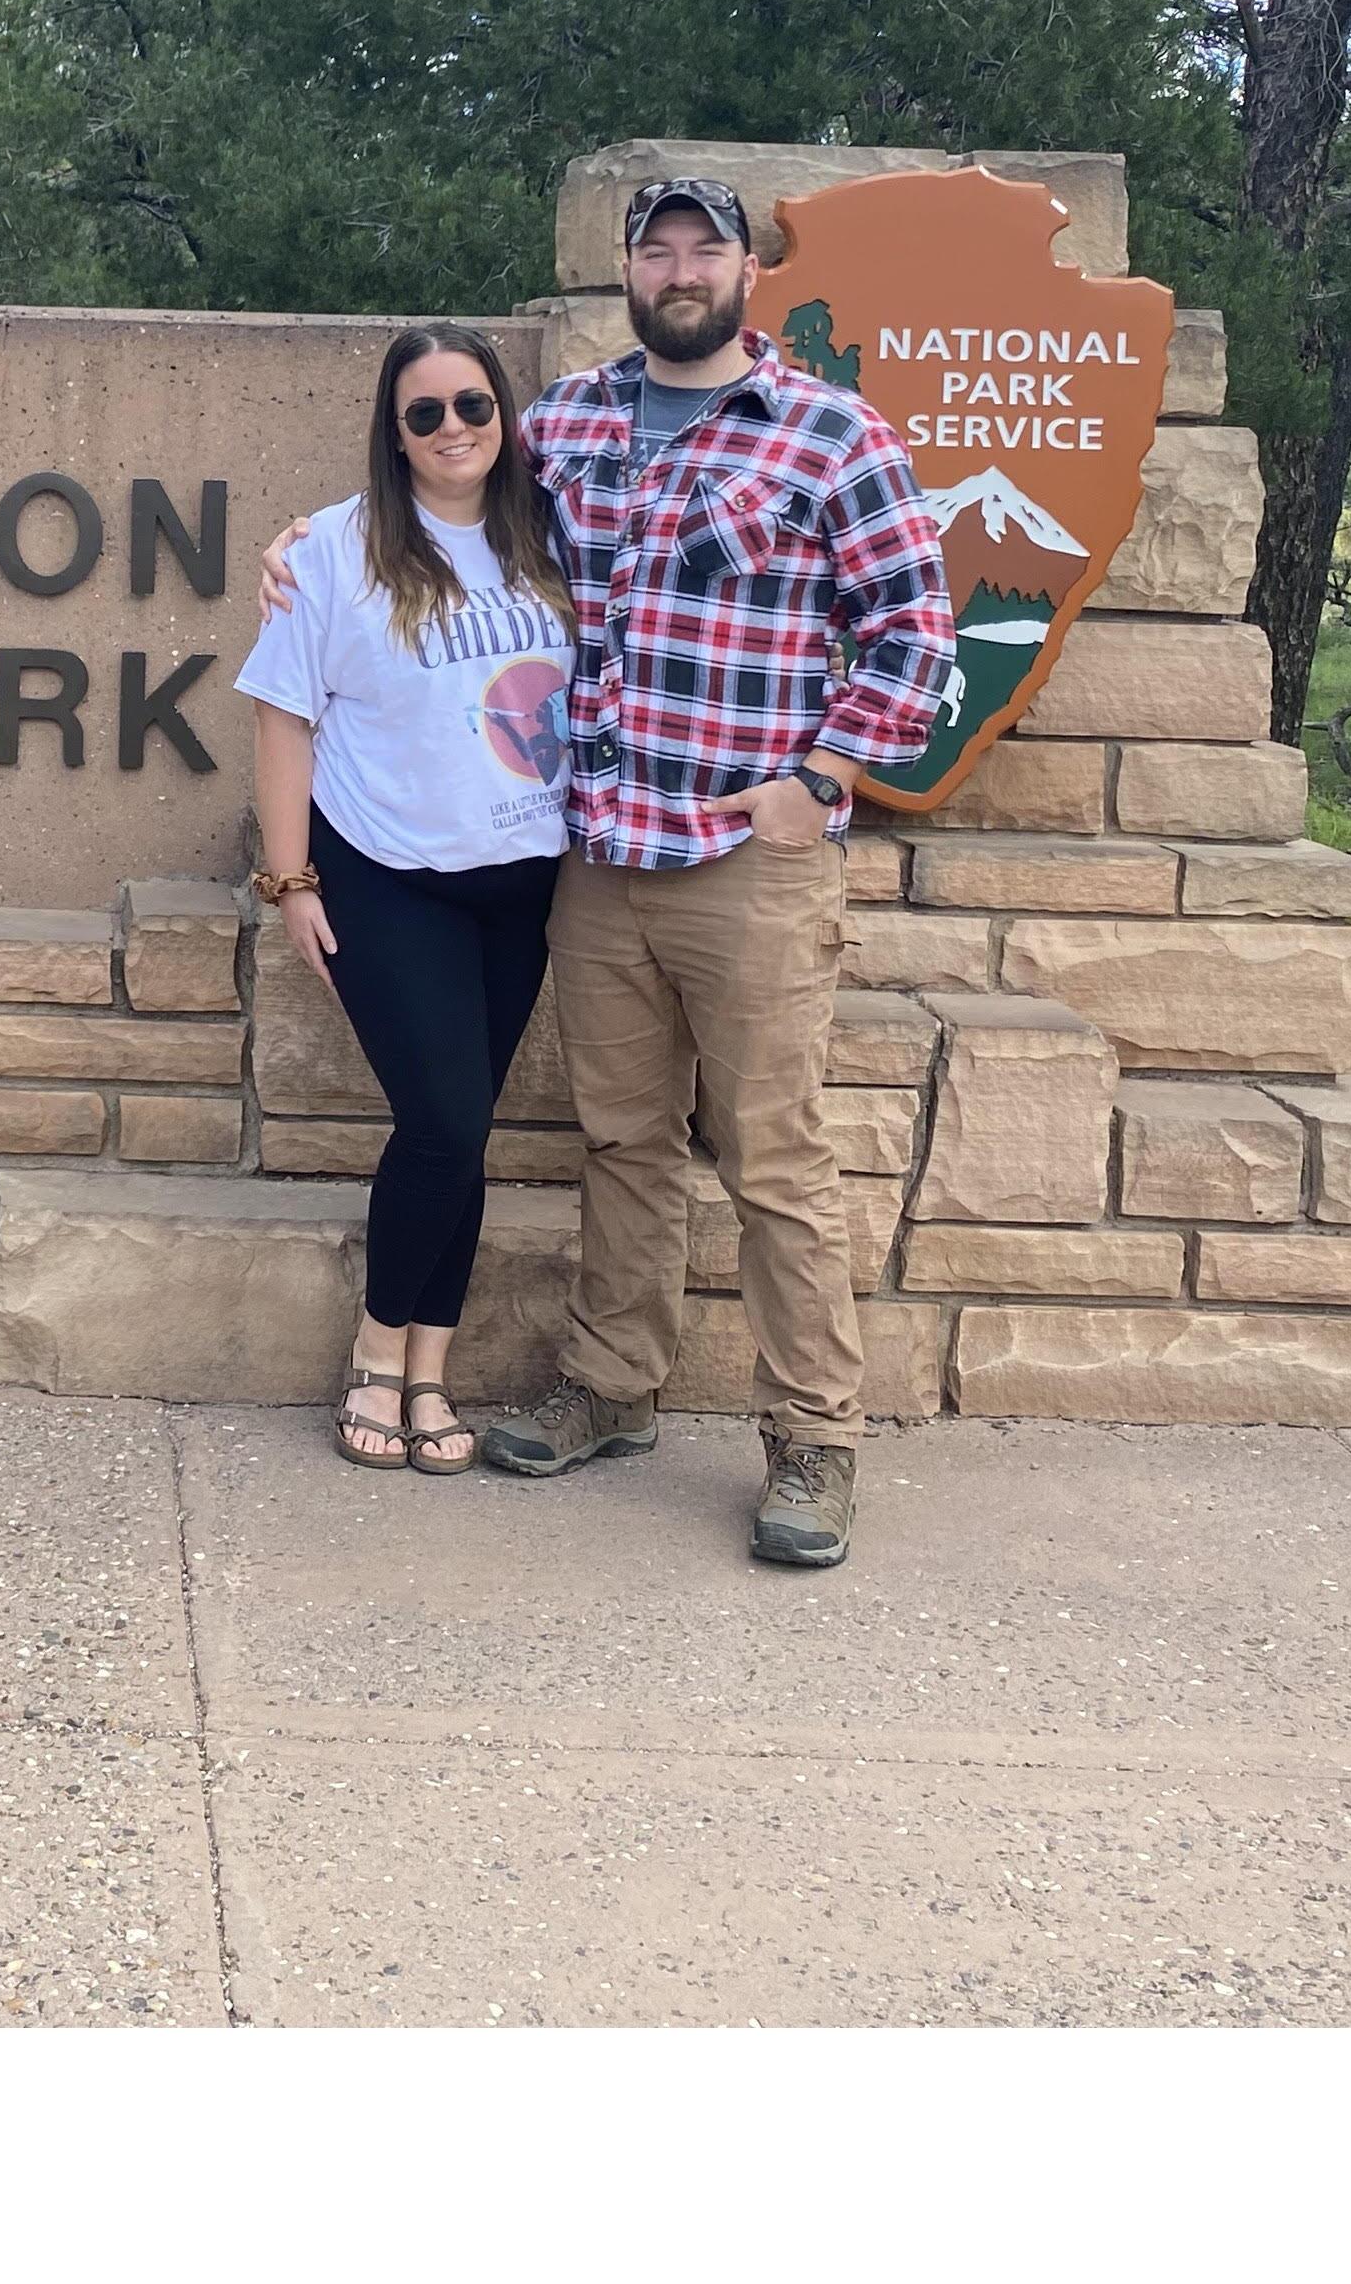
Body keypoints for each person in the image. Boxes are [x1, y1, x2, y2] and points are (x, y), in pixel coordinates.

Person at [260, 176, 955, 1567]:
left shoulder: (830, 433)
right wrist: (298, 543)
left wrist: (823, 780)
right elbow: (427, 496)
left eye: (708, 246)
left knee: (774, 1161)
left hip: (745, 865)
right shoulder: (565, 423)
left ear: (748, 266)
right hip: (594, 856)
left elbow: (916, 629)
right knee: (624, 1145)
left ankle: (814, 1438)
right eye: (660, 247)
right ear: (629, 268)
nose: (683, 267)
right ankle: (613, 1386)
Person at [233, 324, 574, 1477]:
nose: (452, 431)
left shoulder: (552, 531)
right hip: (386, 876)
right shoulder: (334, 547)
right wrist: (292, 882)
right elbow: (284, 716)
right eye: (423, 413)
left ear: (504, 413)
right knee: (438, 1122)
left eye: (472, 405)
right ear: (393, 429)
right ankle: (380, 1351)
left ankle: (435, 1366)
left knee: (466, 1132)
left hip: (523, 882)